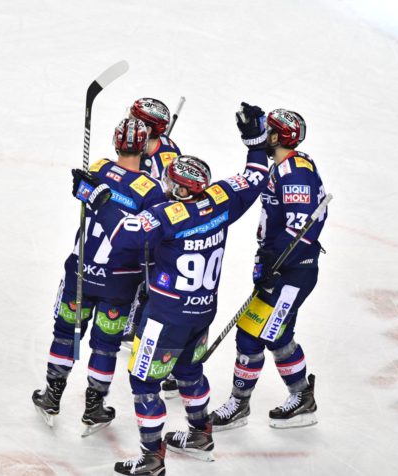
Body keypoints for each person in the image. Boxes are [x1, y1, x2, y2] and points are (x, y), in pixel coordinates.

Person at [72, 136, 271, 474]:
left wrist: (97, 198)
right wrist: (256, 143)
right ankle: (199, 435)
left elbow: (124, 234)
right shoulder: (220, 199)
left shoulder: (168, 214)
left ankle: (151, 458)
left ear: (178, 189)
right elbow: (254, 177)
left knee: (143, 382)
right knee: (189, 370)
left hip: (165, 315)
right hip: (202, 311)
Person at [32, 118, 166, 436]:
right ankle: (94, 406)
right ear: (144, 147)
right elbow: (152, 240)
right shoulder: (152, 190)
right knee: (105, 345)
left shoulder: (99, 168)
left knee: (65, 333)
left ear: (116, 142)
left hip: (81, 269)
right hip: (119, 281)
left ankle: (52, 395)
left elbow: (83, 193)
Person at [209, 105, 328, 431]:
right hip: (284, 268)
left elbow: (300, 228)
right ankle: (302, 397)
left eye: (269, 131)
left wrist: (276, 266)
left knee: (251, 335)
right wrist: (252, 138)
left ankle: (239, 405)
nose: (266, 135)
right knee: (278, 335)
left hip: (292, 272)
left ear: (278, 136)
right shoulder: (288, 164)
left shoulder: (294, 174)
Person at [125, 97, 183, 399]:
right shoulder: (143, 147)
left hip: (163, 234)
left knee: (160, 295)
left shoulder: (169, 159)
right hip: (143, 228)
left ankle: (171, 367)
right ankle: (132, 323)